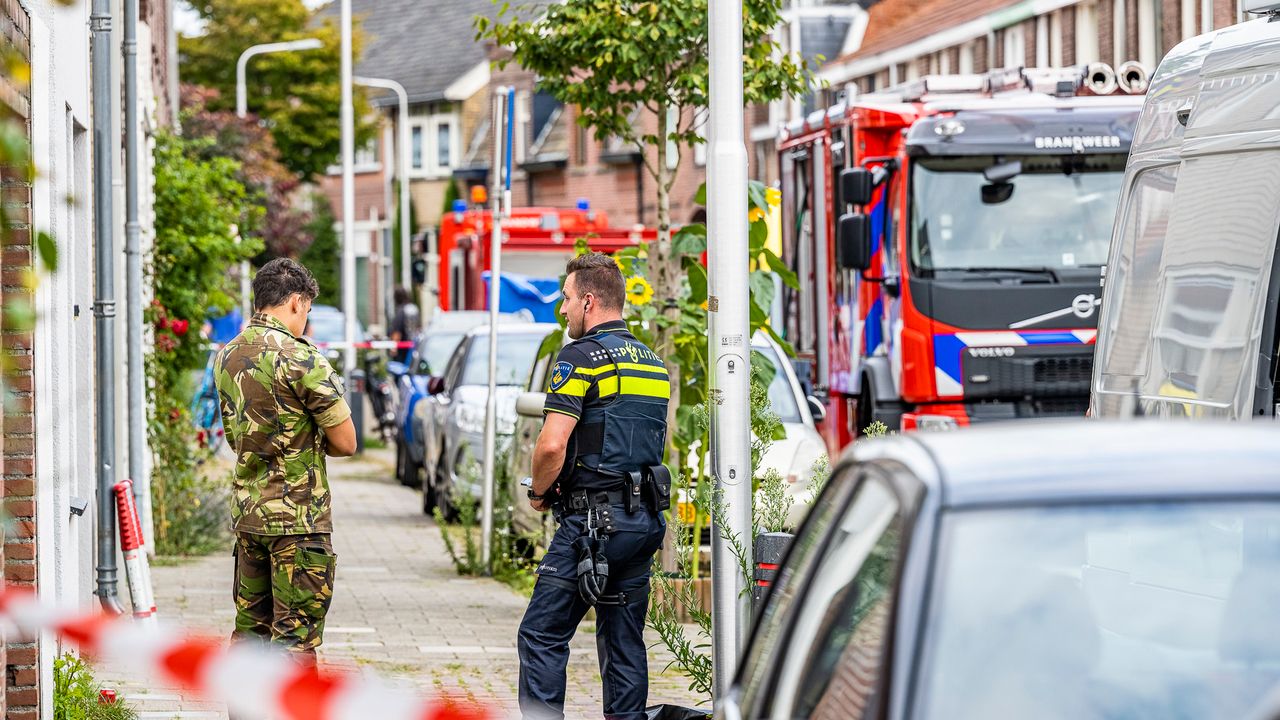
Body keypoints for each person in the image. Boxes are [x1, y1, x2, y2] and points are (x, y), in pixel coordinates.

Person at [518, 253, 671, 720]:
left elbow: (551, 446)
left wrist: (540, 492)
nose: (562, 310)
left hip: (592, 525)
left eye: (565, 299)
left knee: (541, 633)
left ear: (588, 300)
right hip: (642, 524)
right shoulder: (653, 364)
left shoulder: (579, 357)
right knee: (624, 642)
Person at [213, 258, 357, 672]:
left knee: (249, 634)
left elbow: (236, 434)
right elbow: (346, 442)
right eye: (307, 311)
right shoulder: (302, 359)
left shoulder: (228, 356)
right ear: (296, 302)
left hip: (250, 516)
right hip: (299, 519)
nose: (305, 321)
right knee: (294, 642)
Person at [389, 286, 421, 362]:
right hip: (415, 345)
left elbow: (397, 331)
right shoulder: (413, 309)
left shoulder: (401, 311)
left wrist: (394, 347)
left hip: (403, 350)